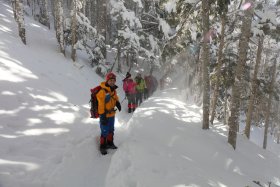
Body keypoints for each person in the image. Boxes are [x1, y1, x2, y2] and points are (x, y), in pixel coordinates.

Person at [96, 72, 121, 155]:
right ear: (107, 81)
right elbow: (100, 105)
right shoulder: (102, 91)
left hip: (112, 114)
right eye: (110, 80)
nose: (112, 82)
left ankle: (110, 143)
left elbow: (115, 98)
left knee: (111, 129)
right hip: (104, 115)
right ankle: (102, 146)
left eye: (113, 80)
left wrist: (117, 103)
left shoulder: (113, 90)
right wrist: (102, 115)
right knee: (104, 131)